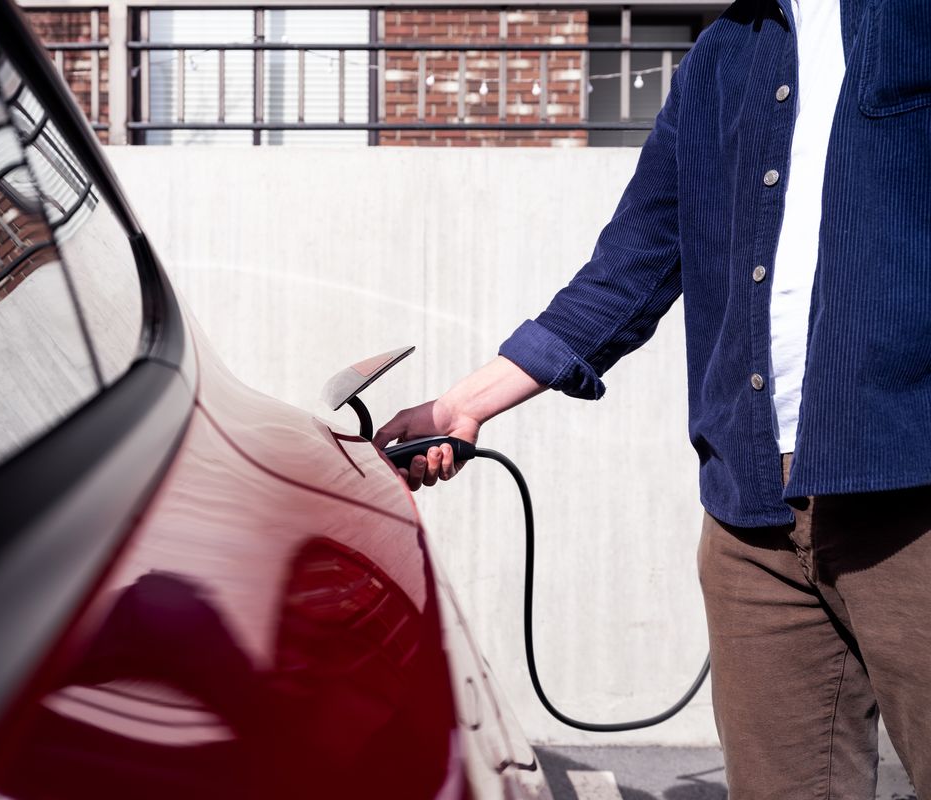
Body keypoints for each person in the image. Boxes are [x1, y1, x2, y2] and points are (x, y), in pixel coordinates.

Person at [374, 0, 931, 796]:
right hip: (753, 524)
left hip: (910, 495)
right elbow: (634, 258)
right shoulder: (721, 56)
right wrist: (467, 403)